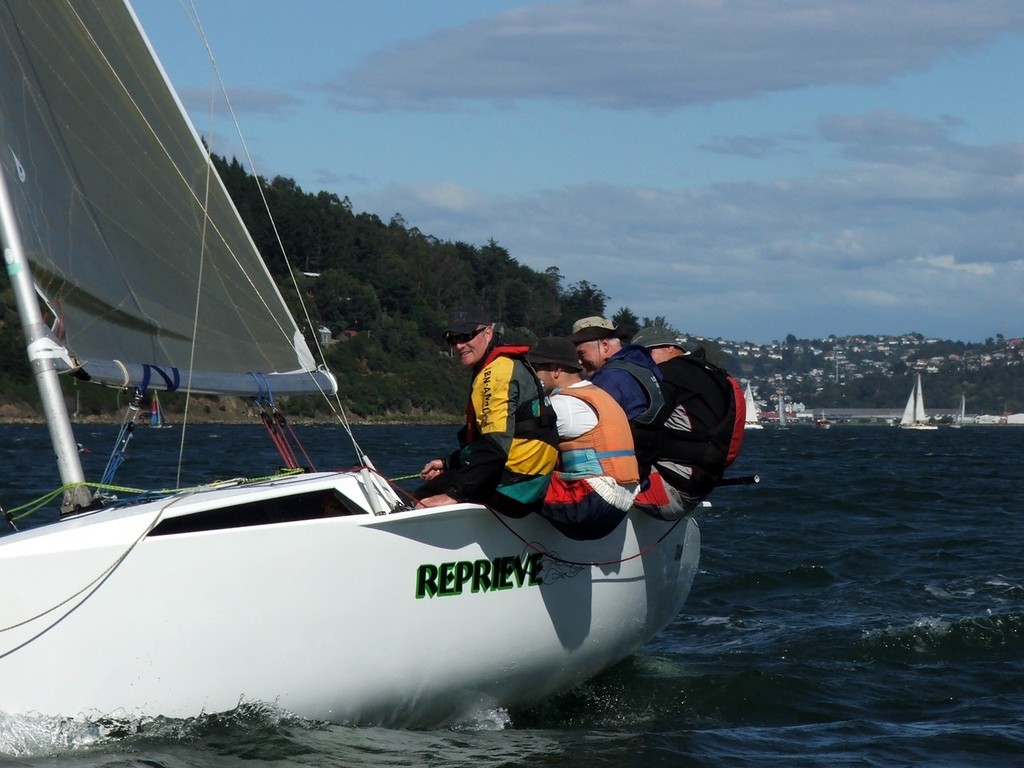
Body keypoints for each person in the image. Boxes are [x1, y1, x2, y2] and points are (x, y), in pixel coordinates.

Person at [414, 306, 558, 516]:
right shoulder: (507, 364)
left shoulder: (496, 373)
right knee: (447, 478)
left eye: (466, 336)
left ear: (488, 332)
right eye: (453, 339)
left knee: (421, 496)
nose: (460, 345)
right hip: (532, 484)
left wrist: (454, 493)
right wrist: (449, 463)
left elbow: (495, 448)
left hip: (514, 490)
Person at [528, 336, 640, 539]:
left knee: (514, 479)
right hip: (621, 504)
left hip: (591, 502)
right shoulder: (599, 394)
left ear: (556, 370)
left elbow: (519, 444)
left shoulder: (564, 404)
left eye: (536, 369)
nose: (533, 377)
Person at [632, 325, 744, 508]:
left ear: (670, 348)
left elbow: (641, 427)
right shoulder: (715, 374)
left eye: (647, 353)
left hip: (669, 489)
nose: (641, 362)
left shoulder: (666, 375)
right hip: (701, 485)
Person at [568, 316, 666, 481]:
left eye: (581, 353)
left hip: (613, 476)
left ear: (604, 345)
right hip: (641, 469)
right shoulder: (642, 368)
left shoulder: (610, 378)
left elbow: (584, 421)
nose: (578, 361)